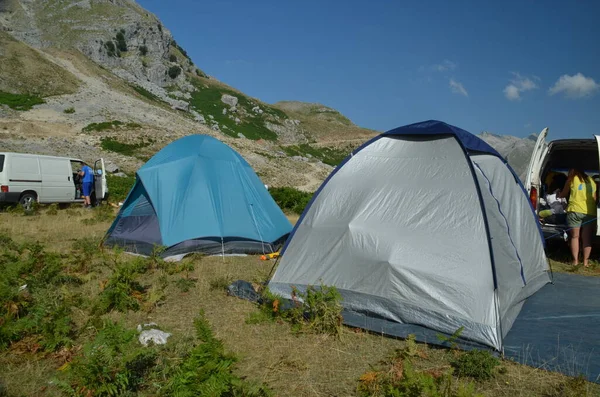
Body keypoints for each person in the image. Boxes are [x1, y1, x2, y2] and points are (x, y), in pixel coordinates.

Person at [558, 168, 597, 267]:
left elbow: (564, 194)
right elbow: (595, 198)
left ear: (572, 173)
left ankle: (575, 261)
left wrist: (559, 194)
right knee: (586, 238)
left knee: (575, 237)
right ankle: (585, 262)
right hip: (589, 212)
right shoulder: (591, 181)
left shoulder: (571, 179)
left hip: (575, 210)